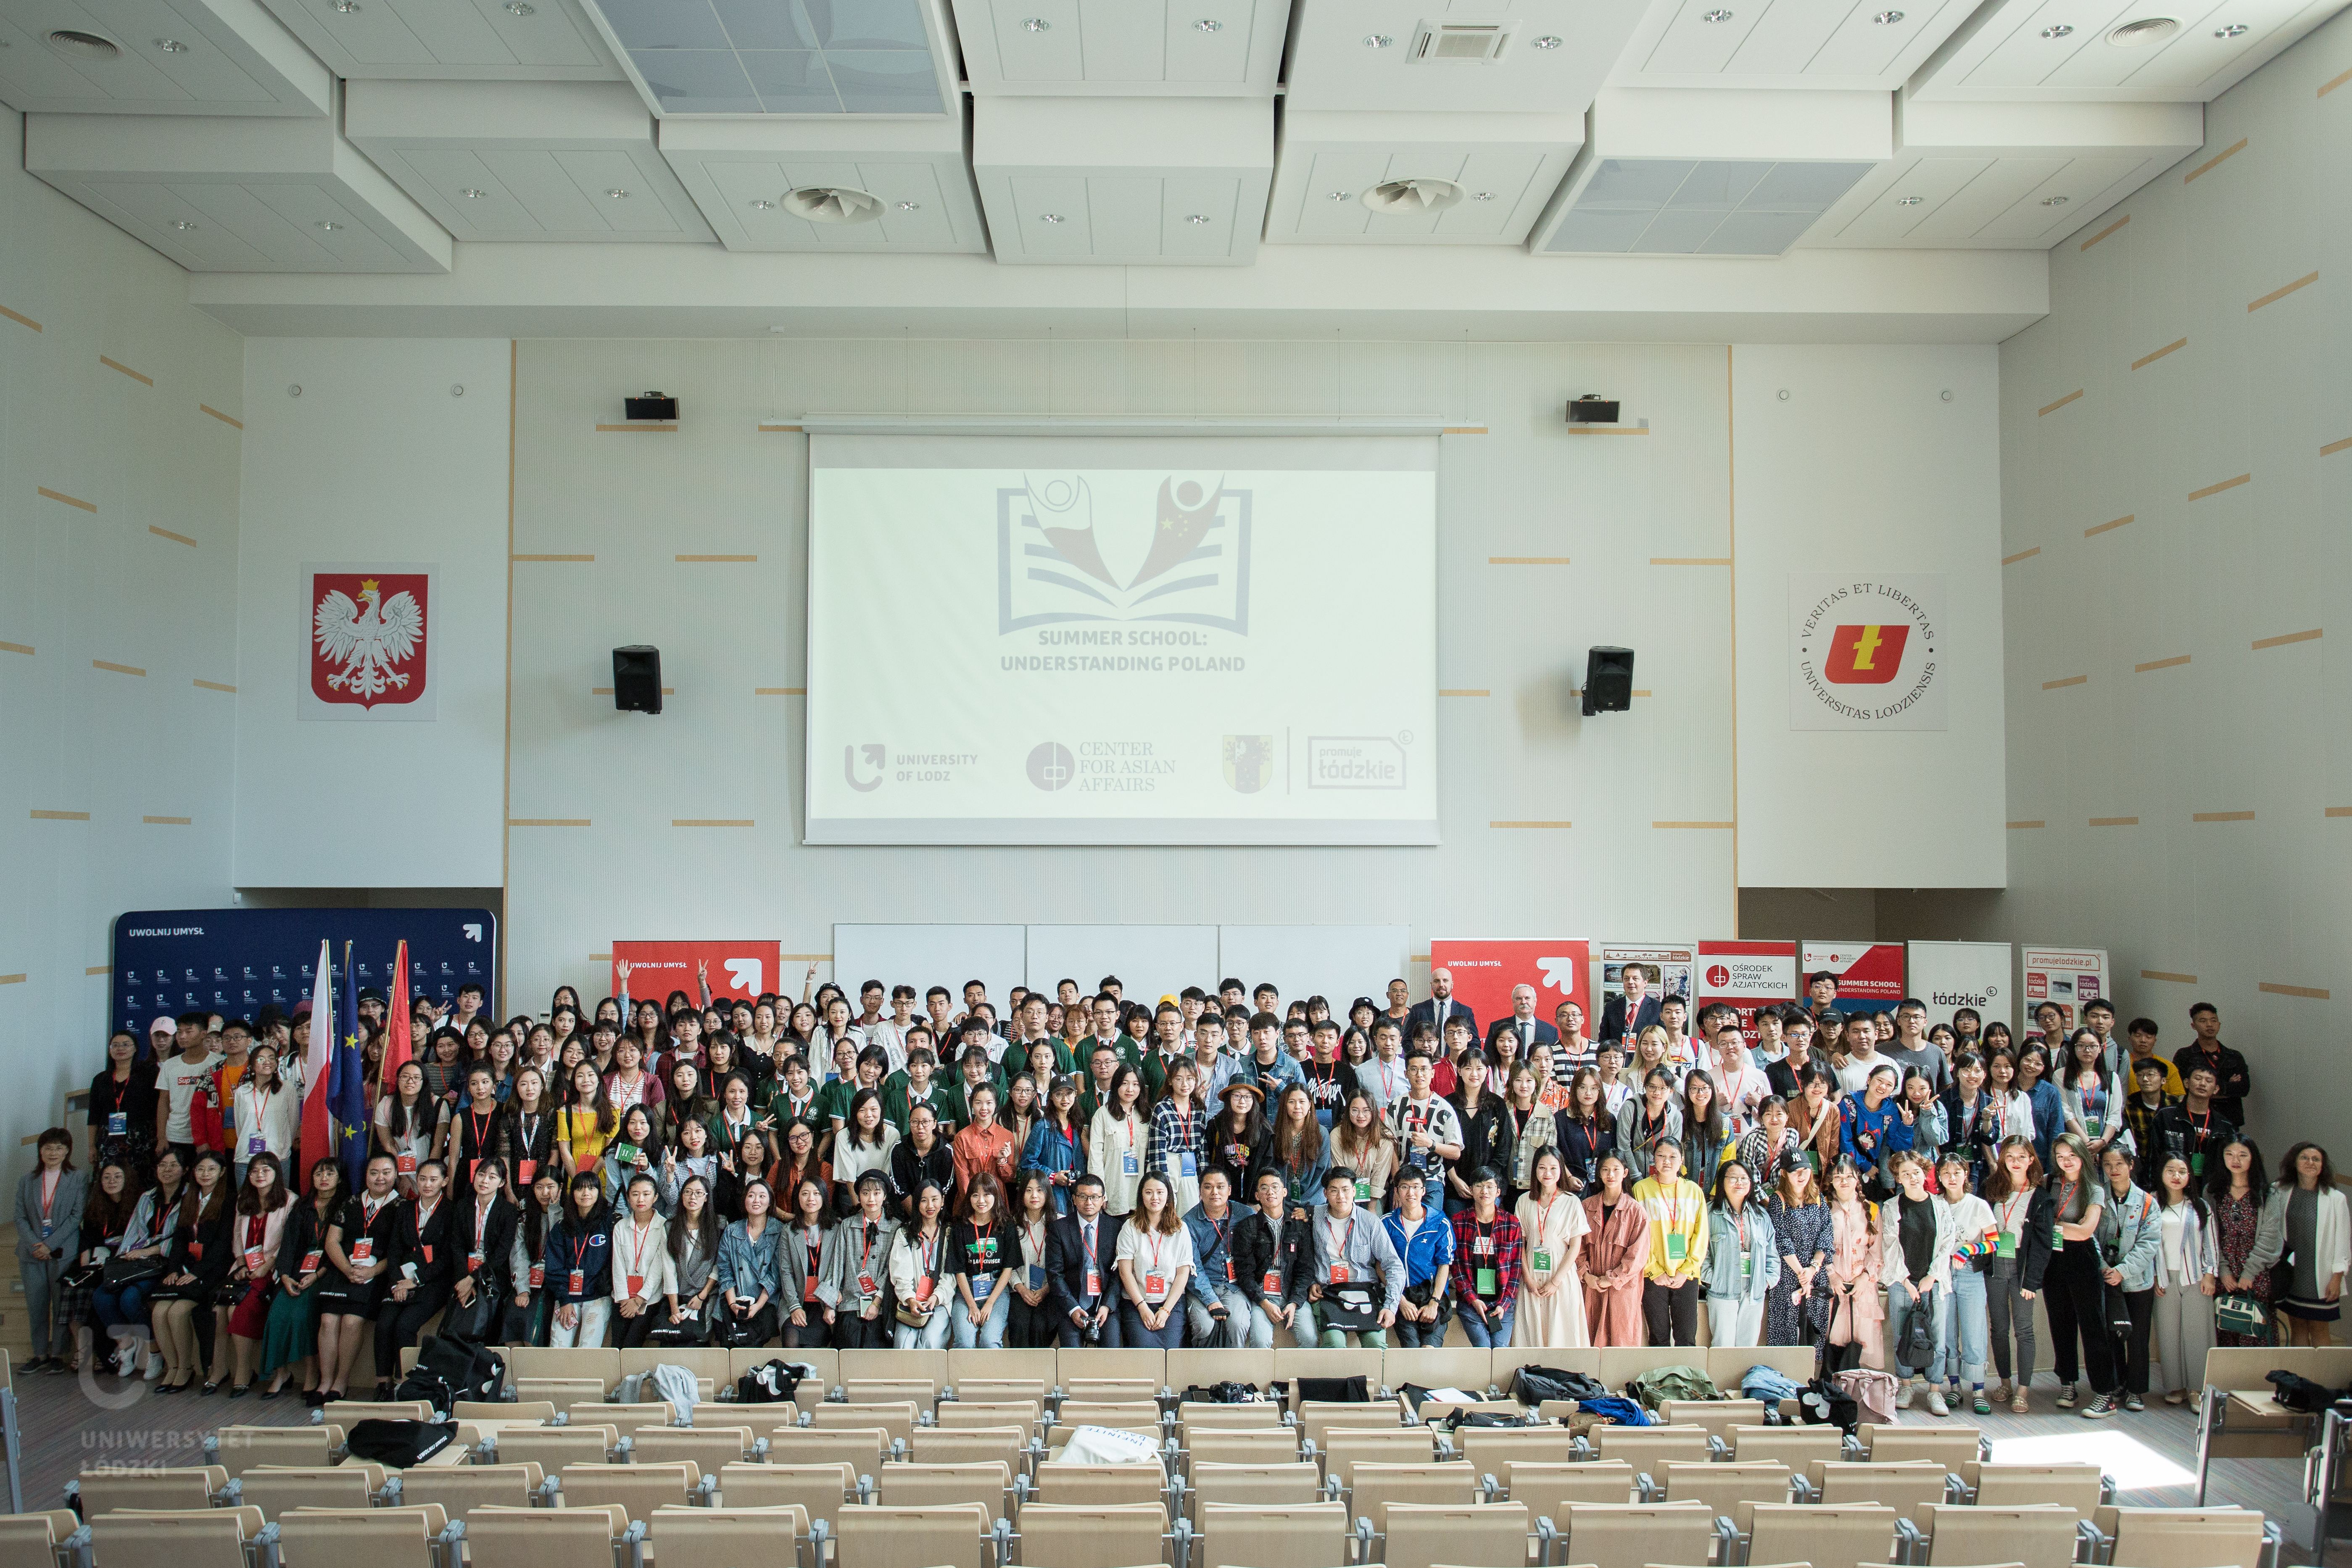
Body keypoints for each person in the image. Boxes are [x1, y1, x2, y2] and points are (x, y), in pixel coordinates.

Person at [2040, 1132, 2123, 1417]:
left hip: (2083, 1259)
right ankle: (2068, 1384)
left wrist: (2052, 1226)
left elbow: (2086, 1231)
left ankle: (2105, 1395)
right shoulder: (2048, 1182)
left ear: (2083, 1156)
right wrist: (2066, 1228)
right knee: (2060, 1324)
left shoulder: (2094, 1188)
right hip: (2054, 1259)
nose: (2066, 1161)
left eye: (2072, 1156)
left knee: (2093, 1327)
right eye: (2060, 1156)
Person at [151, 1149, 231, 1393]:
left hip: (213, 1272)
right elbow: (179, 1240)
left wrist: (197, 1273)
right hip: (187, 1268)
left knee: (177, 1313)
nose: (205, 1174)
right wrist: (174, 1269)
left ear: (222, 1172)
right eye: (200, 1169)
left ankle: (187, 1369)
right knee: (159, 1312)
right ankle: (173, 1367)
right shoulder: (189, 1198)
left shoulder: (229, 1200)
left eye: (212, 1169)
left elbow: (223, 1247)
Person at [1303, 1165, 1405, 1347]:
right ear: (1325, 1194)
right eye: (1334, 1191)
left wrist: (1390, 1306)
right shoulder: (1314, 1217)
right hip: (1329, 1292)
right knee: (1334, 1343)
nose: (1341, 1196)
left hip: (1364, 1291)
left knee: (1375, 1345)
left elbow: (1394, 1265)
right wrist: (1311, 1282)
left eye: (1346, 1190)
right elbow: (1302, 1258)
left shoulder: (1370, 1221)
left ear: (1355, 1191)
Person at [14, 1128, 87, 1373]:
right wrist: (36, 1245)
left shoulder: (78, 1177)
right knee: (36, 1305)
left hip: (63, 1250)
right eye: (47, 1148)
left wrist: (50, 1245)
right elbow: (20, 1217)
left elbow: (76, 1216)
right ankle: (40, 1354)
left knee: (60, 1305)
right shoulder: (27, 1180)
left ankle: (57, 1354)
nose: (53, 1152)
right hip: (32, 1252)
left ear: (67, 1151)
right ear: (40, 1151)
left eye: (59, 1148)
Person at [2262, 1142, 2349, 1348]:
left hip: (2321, 1278)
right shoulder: (2278, 1191)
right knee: (2298, 1326)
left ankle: (2322, 1371)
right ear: (2294, 1162)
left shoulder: (2336, 1199)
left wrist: (2337, 1278)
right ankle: (2299, 1371)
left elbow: (2343, 1242)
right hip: (2291, 1273)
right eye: (2305, 1158)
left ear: (2322, 1166)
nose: (2310, 1162)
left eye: (2316, 1159)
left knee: (2319, 1328)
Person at [2149, 1155, 2218, 1403]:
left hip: (2196, 1277)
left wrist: (2210, 1275)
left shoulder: (2200, 1206)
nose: (2176, 1176)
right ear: (2161, 1174)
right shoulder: (2152, 1204)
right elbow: (2147, 1243)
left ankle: (2197, 1390)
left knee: (2198, 1334)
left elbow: (2211, 1243)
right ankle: (2175, 1387)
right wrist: (2154, 1276)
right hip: (2164, 1278)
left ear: (2189, 1176)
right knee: (2168, 1333)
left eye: (2182, 1172)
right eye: (2170, 1171)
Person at [2097, 1144, 2161, 1411]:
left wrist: (2123, 1271)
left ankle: (2136, 1390)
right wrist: (2105, 1268)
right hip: (2105, 1279)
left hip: (2137, 1282)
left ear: (2131, 1165)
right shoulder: (2097, 1197)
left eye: (2119, 1164)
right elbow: (2090, 1237)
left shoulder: (2147, 1202)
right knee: (2110, 1337)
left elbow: (2149, 1244)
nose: (2113, 1170)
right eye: (2108, 1165)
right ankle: (2118, 1384)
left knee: (2138, 1339)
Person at [1634, 1138, 1708, 1346]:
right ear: (1653, 1158)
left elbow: (1701, 1235)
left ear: (1682, 1160)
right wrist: (1654, 1270)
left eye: (1673, 1157)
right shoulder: (1641, 1189)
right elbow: (1638, 1236)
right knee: (1658, 1339)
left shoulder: (1694, 1191)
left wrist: (1687, 1270)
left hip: (1687, 1275)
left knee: (1687, 1338)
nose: (1667, 1161)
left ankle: (1685, 1371)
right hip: (1653, 1275)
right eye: (1661, 1156)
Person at [1514, 1147, 1590, 1348]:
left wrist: (1556, 1281)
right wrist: (1527, 1278)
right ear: (1534, 1170)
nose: (1547, 1173)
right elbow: (1520, 1244)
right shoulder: (1524, 1201)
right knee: (1532, 1331)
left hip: (1561, 1275)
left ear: (1561, 1170)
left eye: (1553, 1168)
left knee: (1562, 1331)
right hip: (1531, 1276)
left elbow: (1575, 1247)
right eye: (1542, 1168)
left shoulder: (1572, 1202)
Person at [1702, 1161, 1776, 1349]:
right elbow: (1701, 1250)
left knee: (1747, 1349)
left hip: (1753, 1289)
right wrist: (1713, 1278)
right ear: (1722, 1182)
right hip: (1723, 1288)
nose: (1739, 1183)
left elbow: (1772, 1254)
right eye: (1733, 1178)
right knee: (1723, 1346)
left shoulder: (1761, 1216)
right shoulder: (1709, 1214)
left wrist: (1767, 1281)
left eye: (1744, 1179)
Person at [1113, 1172, 1192, 1348]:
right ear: (1141, 1196)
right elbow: (1125, 1272)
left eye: (1160, 1192)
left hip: (1170, 1303)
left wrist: (1166, 1311)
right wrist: (1142, 1307)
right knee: (1144, 1349)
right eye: (1149, 1193)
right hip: (1136, 1302)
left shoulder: (1181, 1229)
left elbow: (1183, 1274)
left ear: (1168, 1196)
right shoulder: (1130, 1227)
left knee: (1171, 1350)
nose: (1155, 1198)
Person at [1578, 1152, 1649, 1346]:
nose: (1611, 1175)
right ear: (1599, 1173)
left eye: (1616, 1170)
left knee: (1621, 1343)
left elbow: (1637, 1255)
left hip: (1622, 1289)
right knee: (1589, 1342)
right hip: (1592, 1286)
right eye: (1606, 1170)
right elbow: (1578, 1247)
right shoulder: (1586, 1207)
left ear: (1625, 1173)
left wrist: (1612, 1279)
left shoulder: (1636, 1211)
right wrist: (1586, 1276)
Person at [1821, 1156, 1883, 1374]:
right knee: (1834, 1337)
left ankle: (1860, 1388)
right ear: (1831, 1180)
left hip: (1862, 1283)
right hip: (1833, 1281)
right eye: (1838, 1177)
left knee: (1862, 1338)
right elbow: (1818, 1246)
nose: (1844, 1181)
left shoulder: (1871, 1209)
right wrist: (1831, 1274)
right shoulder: (1823, 1207)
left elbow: (1877, 1250)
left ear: (1858, 1178)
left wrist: (1866, 1277)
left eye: (1849, 1176)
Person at [823, 1171, 899, 1348]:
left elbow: (892, 1271)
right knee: (847, 1347)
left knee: (873, 1350)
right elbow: (837, 1266)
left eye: (877, 1193)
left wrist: (877, 1302)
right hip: (849, 1302)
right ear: (859, 1196)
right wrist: (830, 1305)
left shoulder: (896, 1227)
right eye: (865, 1193)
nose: (871, 1199)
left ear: (885, 1196)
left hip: (880, 1304)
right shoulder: (847, 1225)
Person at [1048, 1173, 1123, 1347]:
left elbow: (1119, 1274)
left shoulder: (1115, 1228)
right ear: (1074, 1199)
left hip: (1104, 1303)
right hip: (1072, 1303)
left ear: (1103, 1199)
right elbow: (1055, 1275)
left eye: (1095, 1197)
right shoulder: (1059, 1229)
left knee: (1112, 1351)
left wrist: (1107, 1306)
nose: (1089, 1203)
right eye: (1083, 1197)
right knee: (1072, 1354)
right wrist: (1073, 1309)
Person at [1382, 1167, 1454, 1347]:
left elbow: (1444, 1265)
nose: (1411, 1193)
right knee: (1412, 1350)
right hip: (1402, 1295)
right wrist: (1400, 1300)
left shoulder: (1440, 1223)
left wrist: (1434, 1303)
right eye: (1405, 1187)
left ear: (1424, 1191)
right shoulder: (1386, 1223)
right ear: (1397, 1191)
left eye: (1416, 1187)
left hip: (1432, 1296)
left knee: (1429, 1349)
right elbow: (1379, 1265)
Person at [1765, 1160, 1830, 1350]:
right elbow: (1781, 1239)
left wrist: (1813, 1269)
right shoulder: (1778, 1200)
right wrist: (1802, 1274)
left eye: (1805, 1170)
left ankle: (1811, 1370)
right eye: (1795, 1172)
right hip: (1788, 1275)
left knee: (1813, 1332)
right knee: (1786, 1333)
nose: (1802, 1176)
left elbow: (1826, 1234)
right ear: (1784, 1174)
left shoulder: (1818, 1198)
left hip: (1815, 1275)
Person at [949, 1173, 1019, 1348]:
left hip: (997, 1290)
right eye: (975, 1195)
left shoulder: (1007, 1225)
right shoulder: (960, 1227)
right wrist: (972, 1306)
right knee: (964, 1343)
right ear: (969, 1198)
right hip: (966, 1291)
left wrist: (990, 1304)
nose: (981, 1200)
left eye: (987, 1194)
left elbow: (1008, 1270)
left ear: (996, 1196)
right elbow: (959, 1271)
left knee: (989, 1341)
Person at [546, 1170, 615, 1348]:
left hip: (598, 1295)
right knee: (559, 1346)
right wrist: (565, 1300)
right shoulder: (561, 1227)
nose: (586, 1193)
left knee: (588, 1347)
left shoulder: (610, 1222)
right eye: (580, 1189)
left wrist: (604, 1286)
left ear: (599, 1192)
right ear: (572, 1193)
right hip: (568, 1295)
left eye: (591, 1188)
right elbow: (554, 1268)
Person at [1183, 1167, 1249, 1348]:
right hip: (1202, 1287)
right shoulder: (1188, 1224)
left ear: (1230, 1190)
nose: (1215, 1192)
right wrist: (1211, 1299)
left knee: (1238, 1324)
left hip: (1235, 1287)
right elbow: (1193, 1268)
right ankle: (1204, 1365)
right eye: (1208, 1187)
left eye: (1220, 1187)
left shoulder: (1245, 1215)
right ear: (1200, 1190)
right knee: (1204, 1327)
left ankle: (1236, 1366)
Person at [609, 1172, 675, 1349]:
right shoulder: (620, 1227)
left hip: (649, 1299)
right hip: (622, 1299)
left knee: (632, 1347)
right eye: (635, 1194)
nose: (641, 1199)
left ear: (655, 1197)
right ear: (628, 1197)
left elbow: (658, 1270)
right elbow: (617, 1265)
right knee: (616, 1347)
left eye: (646, 1194)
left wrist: (638, 1300)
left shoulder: (664, 1226)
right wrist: (625, 1299)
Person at [715, 1177, 782, 1347]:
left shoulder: (780, 1231)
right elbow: (725, 1271)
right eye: (751, 1195)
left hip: (765, 1302)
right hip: (735, 1298)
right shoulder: (732, 1231)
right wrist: (733, 1303)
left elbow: (775, 1275)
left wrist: (758, 1306)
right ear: (744, 1201)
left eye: (762, 1196)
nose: (756, 1200)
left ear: (770, 1202)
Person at [890, 1180, 954, 1349]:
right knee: (903, 1344)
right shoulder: (905, 1233)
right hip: (911, 1300)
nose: (930, 1206)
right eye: (924, 1200)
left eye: (935, 1199)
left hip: (940, 1301)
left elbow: (951, 1275)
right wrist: (910, 1299)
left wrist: (936, 1297)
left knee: (929, 1342)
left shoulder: (950, 1233)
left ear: (943, 1201)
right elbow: (900, 1273)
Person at [89, 1029, 161, 1176]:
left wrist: (161, 1138)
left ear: (135, 1049)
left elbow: (159, 1109)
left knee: (139, 1179)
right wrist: (91, 1146)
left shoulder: (150, 1074)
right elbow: (94, 1116)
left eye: (126, 1045)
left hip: (141, 1138)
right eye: (115, 1045)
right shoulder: (100, 1079)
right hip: (108, 1139)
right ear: (110, 1050)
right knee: (110, 1179)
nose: (120, 1048)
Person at [2173, 1003, 2250, 1128]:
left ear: (2219, 1024)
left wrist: (2205, 1089)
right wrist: (2227, 1086)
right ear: (2194, 1026)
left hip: (2229, 1119)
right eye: (2203, 1021)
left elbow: (2243, 1088)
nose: (2209, 1025)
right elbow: (2183, 1086)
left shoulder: (2234, 1056)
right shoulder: (2185, 1055)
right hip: (2195, 1118)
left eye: (2213, 1020)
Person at [1006, 1170, 1060, 1348]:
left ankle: (1040, 1367)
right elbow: (1008, 1264)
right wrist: (1021, 1289)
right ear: (1022, 1195)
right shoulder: (1012, 1224)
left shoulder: (1060, 1223)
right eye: (1028, 1191)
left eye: (1039, 1190)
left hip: (1050, 1291)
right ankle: (1020, 1367)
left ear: (1047, 1193)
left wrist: (1046, 1289)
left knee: (1040, 1327)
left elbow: (1065, 1265)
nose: (1034, 1196)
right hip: (1019, 1290)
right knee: (1019, 1326)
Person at [1087, 1066, 1149, 1218]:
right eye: (1124, 1083)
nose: (1130, 1089)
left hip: (1142, 1196)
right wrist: (1100, 1194)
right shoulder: (1103, 1115)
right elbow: (1095, 1158)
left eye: (1136, 1084)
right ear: (1116, 1085)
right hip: (1115, 1193)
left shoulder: (1148, 1115)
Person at [778, 1176, 832, 1347]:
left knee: (812, 1349)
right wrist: (794, 1307)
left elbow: (838, 1269)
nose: (811, 1199)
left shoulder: (836, 1229)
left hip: (823, 1303)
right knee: (791, 1345)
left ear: (824, 1197)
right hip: (795, 1300)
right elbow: (786, 1272)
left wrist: (830, 1303)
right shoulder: (789, 1231)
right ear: (798, 1198)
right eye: (805, 1194)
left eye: (816, 1193)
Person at [1023, 1075, 1086, 1214]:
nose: (1065, 1099)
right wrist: (1053, 1176)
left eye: (1069, 1093)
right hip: (1053, 1194)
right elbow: (1027, 1163)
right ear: (1051, 1097)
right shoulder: (1043, 1126)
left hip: (1077, 1192)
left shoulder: (1078, 1124)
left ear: (1076, 1094)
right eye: (1059, 1094)